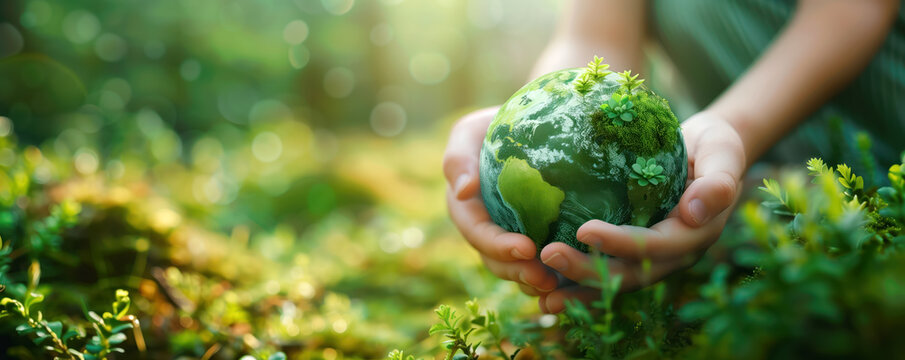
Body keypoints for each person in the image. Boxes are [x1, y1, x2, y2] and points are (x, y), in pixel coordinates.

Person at [443, 0, 904, 314]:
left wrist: (734, 129)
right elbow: (594, 37)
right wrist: (527, 128)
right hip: (750, 174)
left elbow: (853, 9)